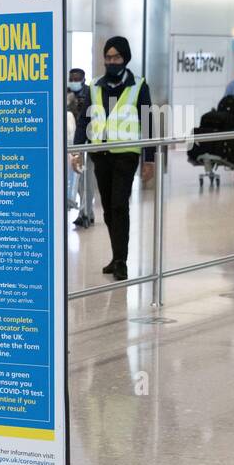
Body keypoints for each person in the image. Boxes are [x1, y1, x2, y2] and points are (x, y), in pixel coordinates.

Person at [88, 36, 155, 281]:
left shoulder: (138, 85)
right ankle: (116, 255)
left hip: (127, 154)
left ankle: (121, 261)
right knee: (107, 209)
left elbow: (148, 121)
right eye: (108, 57)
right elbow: (86, 120)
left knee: (119, 206)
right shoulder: (95, 85)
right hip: (101, 154)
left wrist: (150, 159)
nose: (111, 61)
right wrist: (76, 149)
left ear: (125, 58)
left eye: (115, 57)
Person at [66, 68, 94, 228]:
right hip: (72, 143)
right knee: (77, 180)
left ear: (83, 80)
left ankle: (85, 213)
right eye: (71, 78)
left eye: (77, 79)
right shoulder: (66, 94)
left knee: (87, 180)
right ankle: (86, 212)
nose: (73, 81)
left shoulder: (90, 93)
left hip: (87, 141)